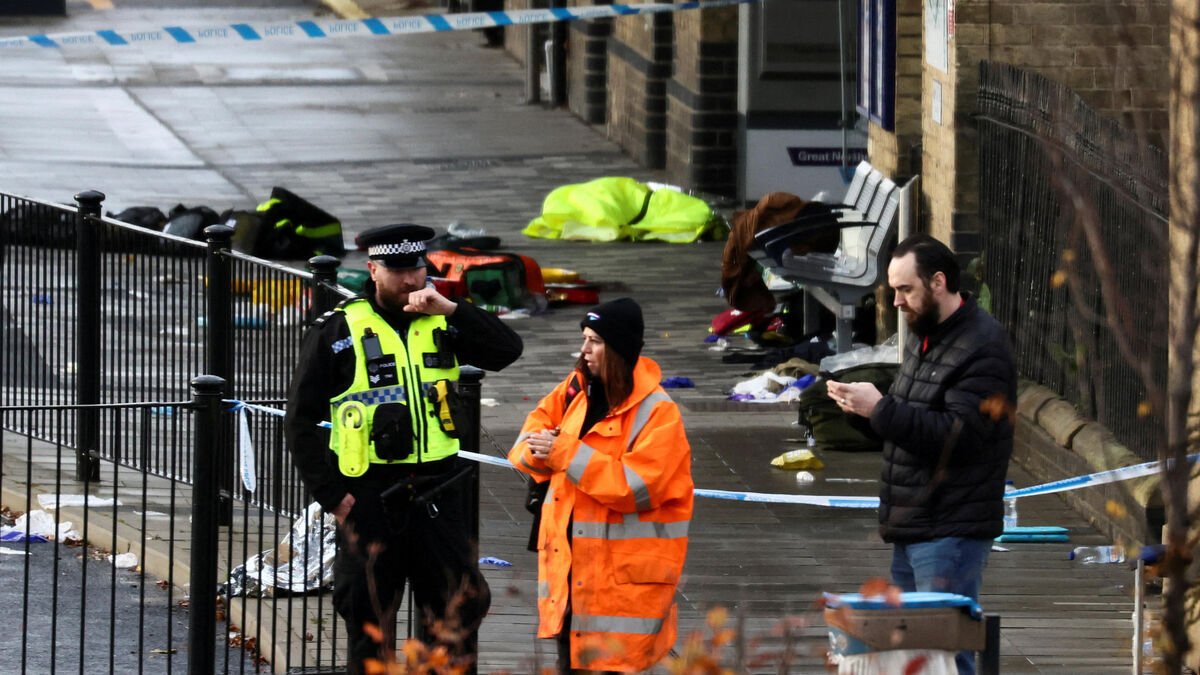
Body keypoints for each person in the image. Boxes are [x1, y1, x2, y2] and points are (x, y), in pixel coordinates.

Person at [285, 223, 523, 674]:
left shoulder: (442, 319)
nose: (411, 281)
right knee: (369, 619)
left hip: (439, 490)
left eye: (417, 270)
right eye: (398, 272)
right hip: (372, 496)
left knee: (457, 611)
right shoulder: (339, 330)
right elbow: (299, 422)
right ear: (373, 270)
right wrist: (333, 497)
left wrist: (452, 308)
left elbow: (508, 350)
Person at [826, 233, 1016, 675]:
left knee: (947, 654)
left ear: (938, 282)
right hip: (914, 524)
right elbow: (909, 418)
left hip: (950, 528)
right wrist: (861, 410)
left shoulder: (982, 346)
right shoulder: (927, 335)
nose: (896, 302)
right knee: (919, 656)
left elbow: (960, 437)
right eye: (893, 290)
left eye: (904, 289)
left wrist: (881, 408)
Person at [508, 298, 693, 673]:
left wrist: (562, 453)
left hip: (622, 588)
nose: (583, 350)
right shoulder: (576, 390)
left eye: (594, 341)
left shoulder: (659, 412)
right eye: (584, 338)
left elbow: (635, 488)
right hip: (573, 578)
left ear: (618, 347)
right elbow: (523, 445)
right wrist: (542, 453)